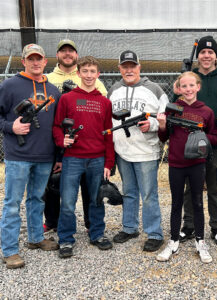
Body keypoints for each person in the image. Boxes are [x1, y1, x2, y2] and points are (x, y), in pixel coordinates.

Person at [0, 44, 60, 269]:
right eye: (31, 59)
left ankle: (36, 238)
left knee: (37, 199)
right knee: (12, 203)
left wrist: (57, 155)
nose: (35, 63)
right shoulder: (9, 85)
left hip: (45, 156)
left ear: (46, 62)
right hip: (18, 156)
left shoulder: (53, 91)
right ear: (23, 61)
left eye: (39, 59)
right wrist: (10, 127)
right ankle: (10, 250)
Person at [174, 36, 217, 246]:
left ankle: (216, 227)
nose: (206, 55)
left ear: (216, 56)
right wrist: (176, 94)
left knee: (213, 186)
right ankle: (189, 225)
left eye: (210, 52)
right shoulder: (189, 80)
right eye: (203, 52)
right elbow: (177, 109)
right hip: (190, 144)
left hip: (215, 142)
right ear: (198, 56)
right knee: (191, 187)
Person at [53, 56, 114, 258]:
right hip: (73, 159)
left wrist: (109, 162)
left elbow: (108, 133)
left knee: (96, 199)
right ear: (78, 73)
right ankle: (66, 239)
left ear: (99, 74)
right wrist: (62, 140)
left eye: (92, 71)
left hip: (97, 159)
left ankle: (97, 234)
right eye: (85, 71)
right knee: (68, 201)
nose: (89, 75)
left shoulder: (104, 102)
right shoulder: (67, 98)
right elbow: (56, 126)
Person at [156, 72, 217, 262]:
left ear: (198, 87)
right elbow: (164, 137)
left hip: (197, 164)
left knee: (197, 202)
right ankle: (174, 240)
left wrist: (199, 136)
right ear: (179, 89)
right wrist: (161, 125)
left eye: (192, 85)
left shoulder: (206, 111)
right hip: (176, 163)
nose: (188, 89)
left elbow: (215, 137)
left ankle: (200, 241)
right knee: (176, 203)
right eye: (184, 86)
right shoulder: (173, 109)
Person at [44, 39, 108, 232]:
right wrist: (60, 146)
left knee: (93, 195)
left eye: (70, 51)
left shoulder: (101, 96)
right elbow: (57, 124)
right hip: (65, 151)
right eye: (63, 51)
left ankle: (94, 228)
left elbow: (106, 127)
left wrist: (108, 161)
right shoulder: (50, 81)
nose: (67, 54)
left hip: (94, 154)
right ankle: (59, 229)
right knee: (62, 195)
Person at [108, 50, 168, 252]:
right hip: (123, 151)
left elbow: (164, 117)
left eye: (132, 66)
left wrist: (150, 125)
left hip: (146, 152)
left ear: (139, 67)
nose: (129, 70)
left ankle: (154, 232)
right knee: (129, 192)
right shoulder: (114, 90)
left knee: (149, 194)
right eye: (124, 67)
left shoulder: (155, 89)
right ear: (119, 69)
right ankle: (130, 227)